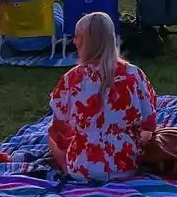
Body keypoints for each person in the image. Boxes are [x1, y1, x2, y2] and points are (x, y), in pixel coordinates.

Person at [48, 11, 159, 183]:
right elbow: (150, 124)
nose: (74, 42)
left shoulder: (71, 78)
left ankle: (66, 167)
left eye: (78, 37)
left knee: (51, 137)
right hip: (126, 165)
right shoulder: (134, 74)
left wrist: (83, 134)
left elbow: (58, 129)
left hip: (82, 167)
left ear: (86, 42)